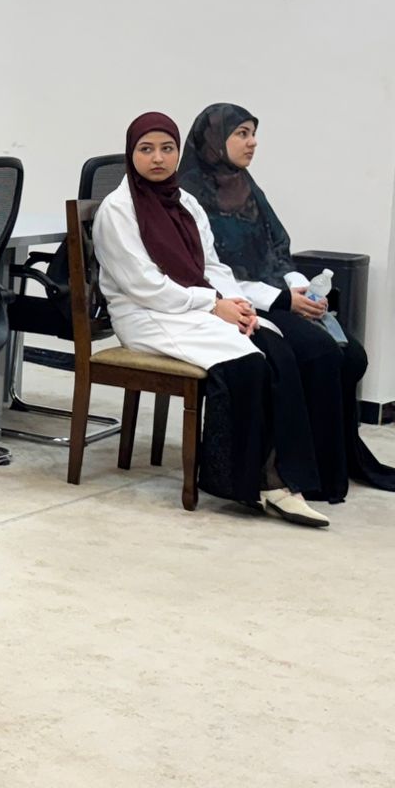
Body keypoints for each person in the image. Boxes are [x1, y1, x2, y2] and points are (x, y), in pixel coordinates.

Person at [93, 112, 330, 525]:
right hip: (146, 315)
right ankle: (254, 482)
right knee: (247, 362)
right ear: (131, 154)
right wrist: (212, 305)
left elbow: (212, 265)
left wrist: (237, 304)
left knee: (274, 344)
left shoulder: (185, 202)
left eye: (167, 149)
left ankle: (285, 476)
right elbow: (143, 285)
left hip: (193, 305)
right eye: (146, 149)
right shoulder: (117, 210)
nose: (157, 158)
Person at [180, 103, 395, 499]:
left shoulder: (245, 185)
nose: (252, 142)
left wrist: (304, 291)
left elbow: (278, 249)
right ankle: (302, 472)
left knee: (350, 354)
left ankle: (335, 462)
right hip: (233, 304)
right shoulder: (190, 195)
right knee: (318, 352)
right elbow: (211, 271)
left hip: (276, 297)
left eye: (253, 133)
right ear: (214, 139)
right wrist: (282, 299)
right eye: (241, 133)